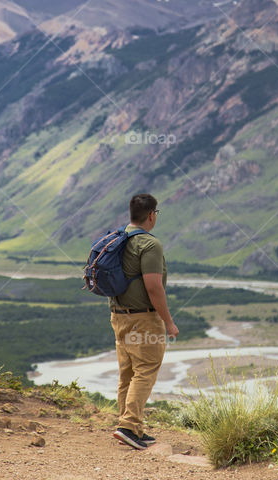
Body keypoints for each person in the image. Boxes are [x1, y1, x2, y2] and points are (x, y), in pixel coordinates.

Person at [110, 193, 179, 450]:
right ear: (152, 215)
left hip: (119, 316)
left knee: (127, 372)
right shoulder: (150, 245)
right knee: (146, 369)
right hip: (143, 319)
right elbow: (154, 287)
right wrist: (168, 322)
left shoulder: (118, 238)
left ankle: (131, 426)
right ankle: (129, 426)